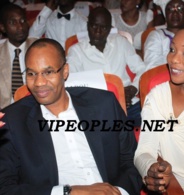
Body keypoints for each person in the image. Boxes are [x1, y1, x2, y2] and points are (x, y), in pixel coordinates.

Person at [0, 38, 142, 195]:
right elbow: (5, 187)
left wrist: (119, 192)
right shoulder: (13, 121)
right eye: (32, 73)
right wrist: (67, 192)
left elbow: (131, 159)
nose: (39, 82)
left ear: (65, 71)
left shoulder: (104, 105)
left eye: (48, 72)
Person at [134, 23, 184, 194]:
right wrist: (151, 169)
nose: (174, 59)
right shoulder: (158, 98)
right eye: (172, 50)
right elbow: (144, 151)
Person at [67, 7, 146, 127]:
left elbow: (142, 69)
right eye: (94, 26)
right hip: (97, 109)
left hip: (127, 103)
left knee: (154, 116)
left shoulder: (121, 42)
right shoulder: (76, 51)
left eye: (103, 28)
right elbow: (72, 84)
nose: (98, 31)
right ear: (88, 25)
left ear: (110, 29)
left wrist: (132, 89)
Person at [0, 3, 37, 109]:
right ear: (3, 27)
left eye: (22, 21)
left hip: (36, 109)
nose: (20, 27)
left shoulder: (39, 47)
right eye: (13, 22)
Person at [143, 0, 184, 71]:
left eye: (180, 9)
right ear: (165, 14)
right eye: (170, 9)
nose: (175, 13)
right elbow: (152, 65)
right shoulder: (156, 35)